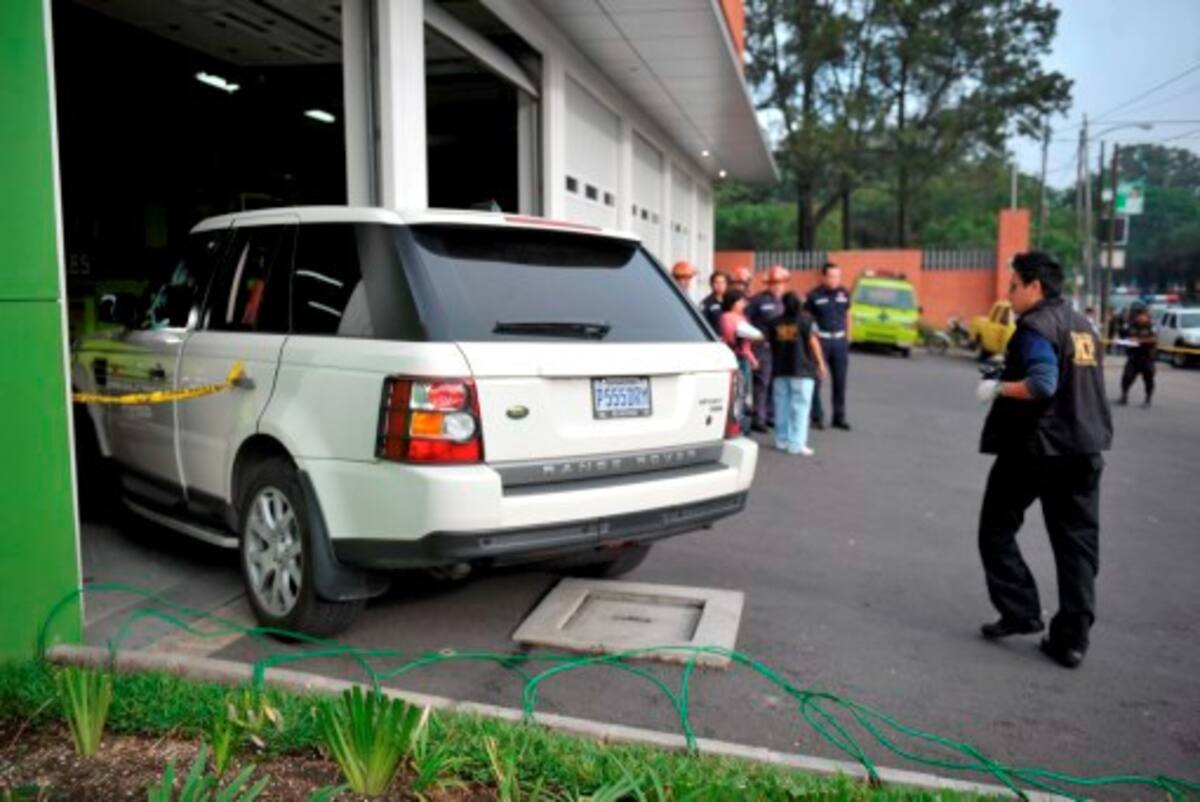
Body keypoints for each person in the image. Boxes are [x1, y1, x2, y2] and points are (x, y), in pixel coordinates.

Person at [975, 251, 1113, 669]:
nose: (1009, 293)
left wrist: (998, 388)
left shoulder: (1035, 326)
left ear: (1034, 286)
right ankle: (1072, 640)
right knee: (1077, 547)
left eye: (1014, 285)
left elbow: (1042, 383)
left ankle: (1021, 610)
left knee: (996, 529)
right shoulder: (1082, 324)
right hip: (1084, 447)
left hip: (1037, 449)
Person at [768, 292, 826, 455]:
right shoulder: (807, 321)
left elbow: (768, 342)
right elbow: (814, 344)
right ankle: (797, 443)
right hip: (802, 370)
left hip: (780, 369)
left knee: (781, 405)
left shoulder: (774, 323)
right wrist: (821, 364)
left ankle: (782, 440)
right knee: (800, 407)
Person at [805, 262, 852, 430]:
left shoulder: (844, 293)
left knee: (840, 381)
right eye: (831, 276)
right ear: (823, 276)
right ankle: (816, 416)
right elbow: (807, 320)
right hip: (821, 341)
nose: (834, 280)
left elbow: (847, 315)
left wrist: (848, 338)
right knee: (816, 379)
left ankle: (839, 417)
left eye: (837, 276)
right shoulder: (813, 295)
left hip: (839, 341)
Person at [746, 265, 789, 431]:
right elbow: (747, 322)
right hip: (762, 347)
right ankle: (759, 418)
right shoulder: (757, 300)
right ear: (768, 284)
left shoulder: (785, 301)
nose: (777, 285)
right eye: (773, 282)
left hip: (780, 348)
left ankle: (771, 415)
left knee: (775, 383)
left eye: (780, 282)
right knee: (762, 384)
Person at [718, 289, 758, 435]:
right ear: (733, 302)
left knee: (745, 393)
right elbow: (734, 341)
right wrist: (751, 358)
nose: (743, 304)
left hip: (744, 357)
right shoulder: (727, 317)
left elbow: (748, 342)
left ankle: (743, 425)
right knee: (739, 393)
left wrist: (751, 356)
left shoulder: (742, 317)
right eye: (740, 301)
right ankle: (737, 426)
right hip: (738, 357)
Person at [1118, 303, 1157, 407]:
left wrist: (1139, 340)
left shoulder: (1151, 326)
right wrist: (1123, 339)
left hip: (1147, 357)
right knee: (1126, 377)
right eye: (1136, 315)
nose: (1138, 317)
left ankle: (1148, 399)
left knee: (1148, 379)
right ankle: (1124, 396)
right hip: (1133, 357)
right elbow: (1123, 336)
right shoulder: (1131, 325)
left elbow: (1154, 339)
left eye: (1140, 314)